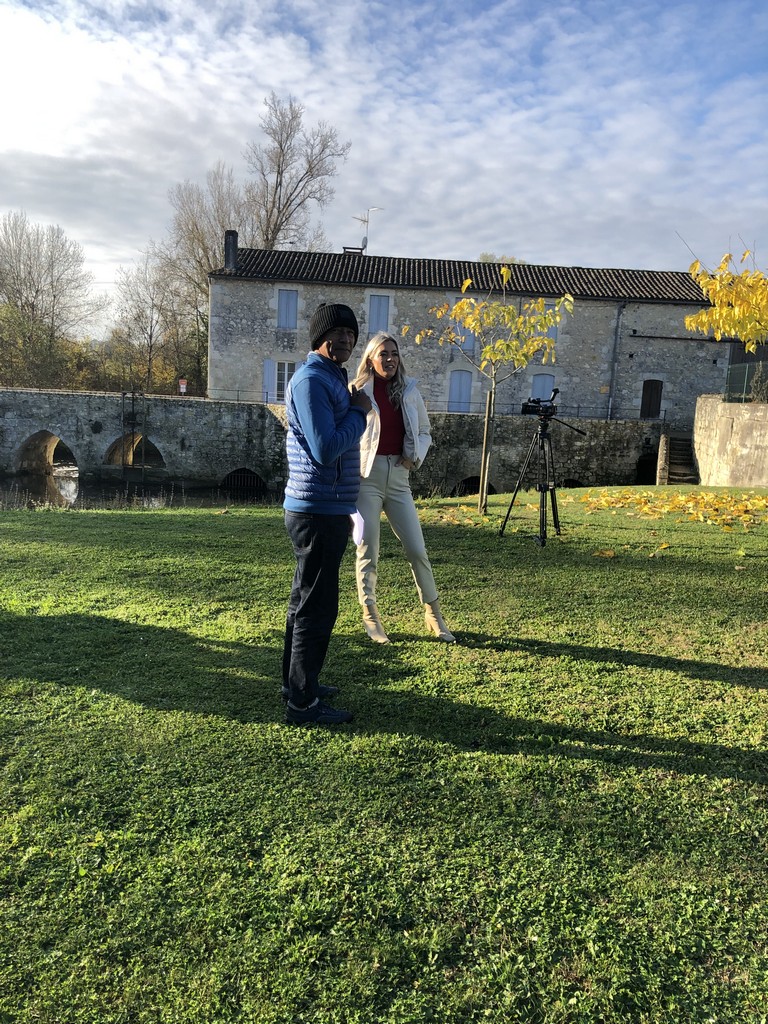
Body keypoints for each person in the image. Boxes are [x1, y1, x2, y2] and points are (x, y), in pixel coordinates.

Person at [282, 302, 372, 725]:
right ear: (319, 338)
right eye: (337, 333)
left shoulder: (330, 377)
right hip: (317, 509)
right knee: (317, 608)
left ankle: (297, 685)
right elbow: (325, 448)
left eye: (351, 334)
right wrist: (359, 412)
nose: (346, 340)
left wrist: (350, 404)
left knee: (305, 600)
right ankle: (303, 704)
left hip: (325, 506)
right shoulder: (311, 380)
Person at [351, 331, 455, 645]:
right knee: (367, 549)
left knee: (417, 549)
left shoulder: (409, 391)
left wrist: (414, 457)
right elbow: (347, 430)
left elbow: (424, 431)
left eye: (394, 353)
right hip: (366, 479)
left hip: (398, 477)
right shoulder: (357, 391)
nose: (390, 359)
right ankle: (370, 616)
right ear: (370, 358)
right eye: (383, 354)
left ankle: (434, 614)